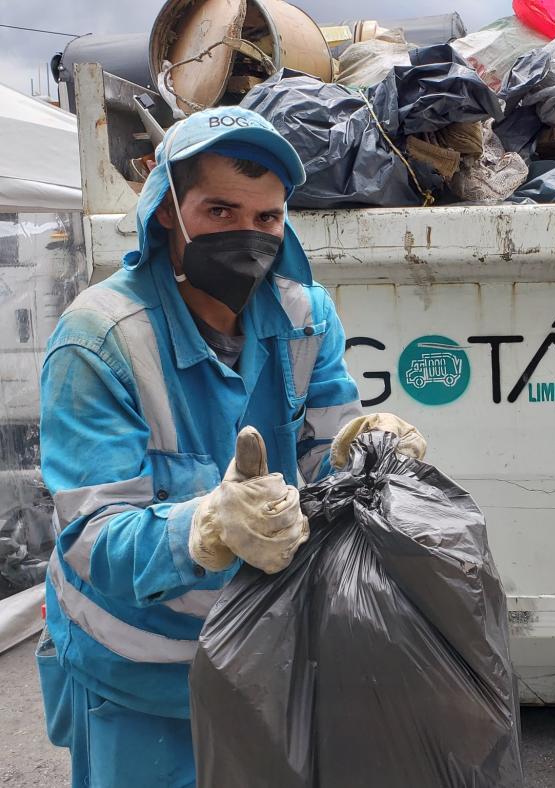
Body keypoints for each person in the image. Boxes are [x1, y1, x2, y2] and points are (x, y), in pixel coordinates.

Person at [35, 106, 425, 787]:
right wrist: (207, 528)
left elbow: (321, 449)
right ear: (167, 212)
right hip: (137, 674)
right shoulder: (100, 338)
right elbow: (91, 539)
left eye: (267, 218)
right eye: (219, 211)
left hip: (265, 654)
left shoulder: (304, 315)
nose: (247, 236)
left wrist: (360, 452)